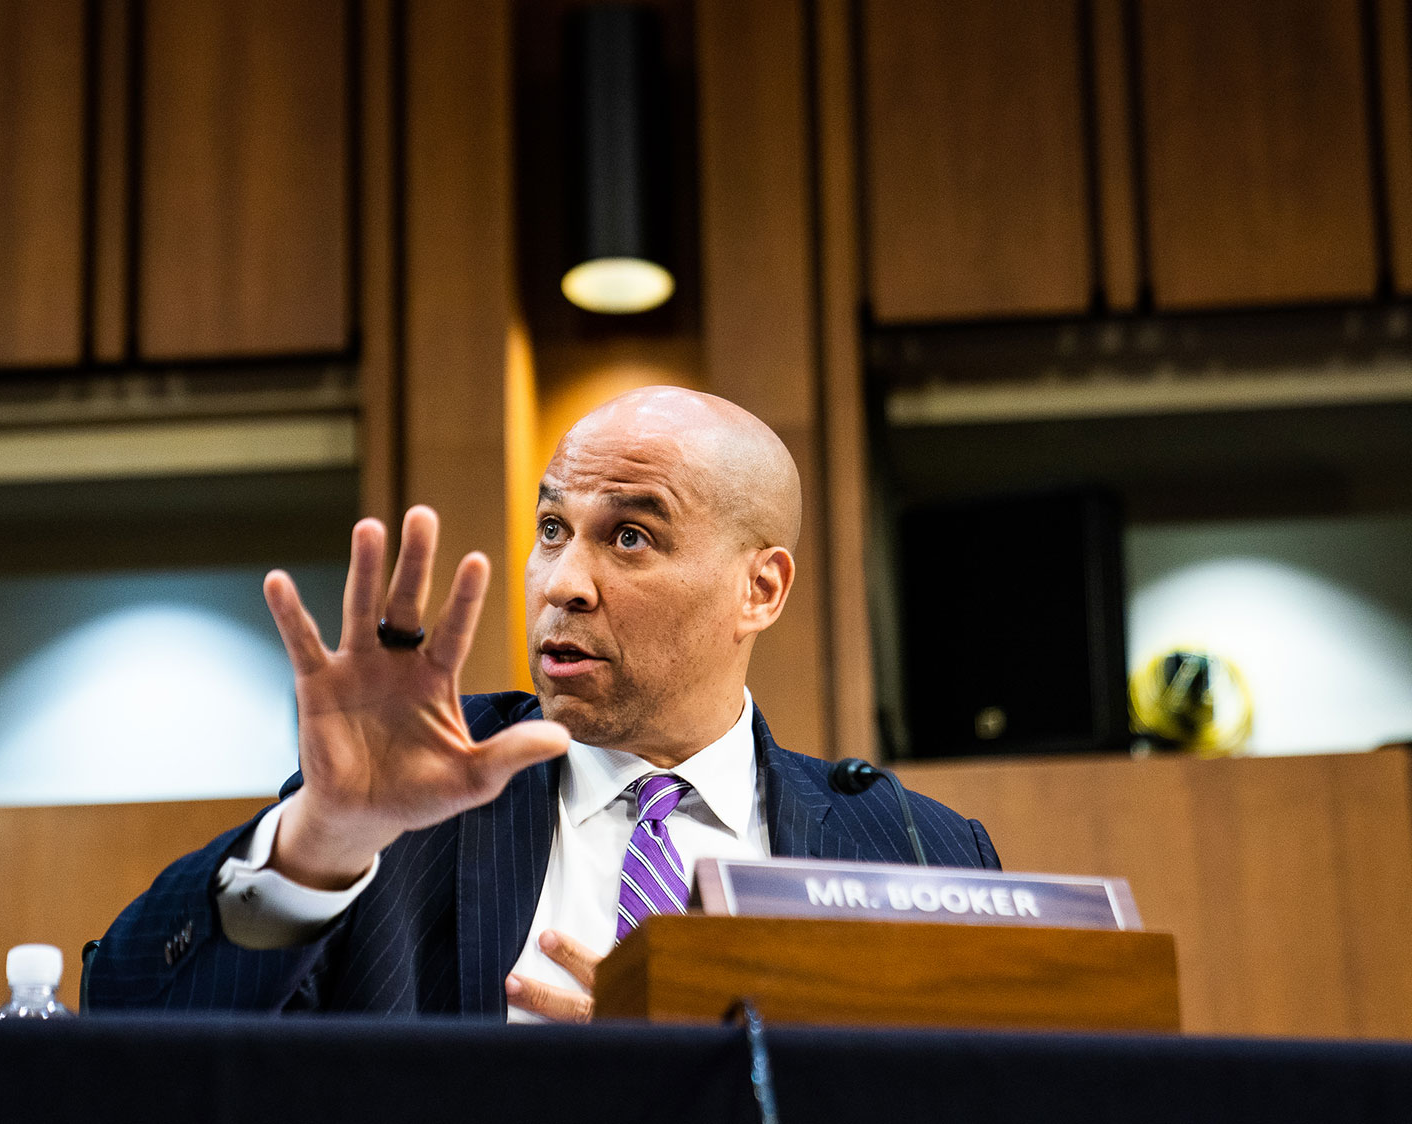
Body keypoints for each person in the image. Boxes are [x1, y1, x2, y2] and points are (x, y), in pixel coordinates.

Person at [88, 387, 998, 1020]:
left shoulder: (914, 851)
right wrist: (319, 839)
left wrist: (716, 1080)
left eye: (630, 537)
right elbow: (124, 1019)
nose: (564, 582)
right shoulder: (412, 797)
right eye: (554, 528)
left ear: (759, 590)